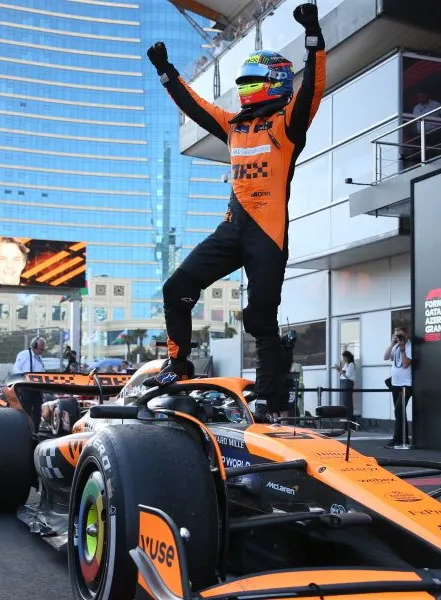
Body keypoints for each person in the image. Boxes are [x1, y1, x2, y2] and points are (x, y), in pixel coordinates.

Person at [143, 1, 326, 423]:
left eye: (251, 82)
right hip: (231, 229)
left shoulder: (288, 124)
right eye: (242, 82)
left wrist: (314, 38)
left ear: (274, 83)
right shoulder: (233, 126)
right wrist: (166, 72)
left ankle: (272, 402)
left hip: (267, 235)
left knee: (260, 317)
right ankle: (178, 364)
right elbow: (194, 106)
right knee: (176, 289)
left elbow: (313, 89)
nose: (244, 88)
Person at [384, 327, 413, 449]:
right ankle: (403, 439)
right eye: (396, 335)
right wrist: (392, 343)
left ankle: (397, 439)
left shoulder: (409, 346)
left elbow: (406, 364)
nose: (399, 337)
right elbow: (386, 357)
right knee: (400, 412)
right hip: (395, 384)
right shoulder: (395, 346)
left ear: (406, 335)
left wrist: (402, 348)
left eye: (400, 335)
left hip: (406, 385)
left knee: (398, 411)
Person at [12, 336, 46, 430]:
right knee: (26, 408)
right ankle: (26, 428)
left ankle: (35, 429)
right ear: (34, 345)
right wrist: (22, 378)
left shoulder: (39, 358)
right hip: (26, 386)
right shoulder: (24, 354)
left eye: (43, 349)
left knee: (38, 409)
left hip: (37, 387)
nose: (42, 351)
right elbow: (16, 368)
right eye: (41, 349)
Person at [333, 351, 356, 418]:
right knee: (343, 400)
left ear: (347, 357)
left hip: (348, 383)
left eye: (344, 357)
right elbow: (342, 372)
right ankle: (344, 414)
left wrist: (340, 370)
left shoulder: (351, 364)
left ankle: (349, 415)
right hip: (344, 382)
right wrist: (339, 369)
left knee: (347, 400)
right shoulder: (346, 364)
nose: (343, 359)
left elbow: (347, 375)